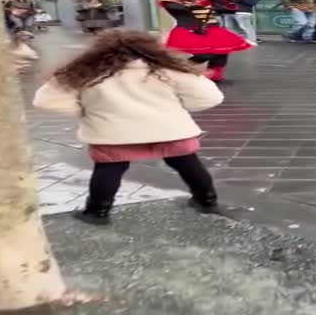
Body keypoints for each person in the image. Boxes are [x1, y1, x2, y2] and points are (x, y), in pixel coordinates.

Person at [32, 30, 225, 225]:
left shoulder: (86, 72)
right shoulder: (169, 70)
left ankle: (97, 212)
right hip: (170, 130)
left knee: (109, 168)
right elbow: (210, 97)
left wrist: (87, 111)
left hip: (111, 132)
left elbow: (46, 100)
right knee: (187, 163)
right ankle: (207, 201)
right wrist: (178, 108)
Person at [159, 0, 252, 83]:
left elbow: (227, 9)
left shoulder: (203, 2)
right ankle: (180, 69)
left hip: (211, 30)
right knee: (205, 54)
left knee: (222, 51)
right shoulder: (170, 3)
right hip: (188, 32)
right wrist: (209, 1)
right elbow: (186, 8)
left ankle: (214, 76)